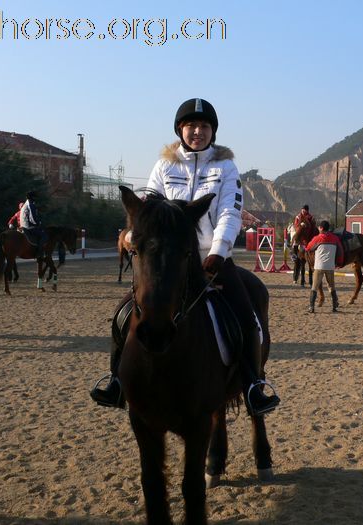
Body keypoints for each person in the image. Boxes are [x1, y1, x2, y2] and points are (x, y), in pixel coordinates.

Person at [90, 97, 280, 416]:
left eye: (204, 126)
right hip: (169, 258)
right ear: (180, 130)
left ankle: (252, 385)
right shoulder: (165, 165)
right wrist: (131, 235)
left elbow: (229, 214)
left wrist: (218, 253)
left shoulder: (226, 167)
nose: (197, 132)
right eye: (191, 126)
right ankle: (116, 380)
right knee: (124, 313)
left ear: (212, 132)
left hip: (211, 258)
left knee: (248, 318)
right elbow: (149, 210)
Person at [306, 220, 344, 313]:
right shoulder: (335, 238)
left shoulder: (317, 238)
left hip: (319, 266)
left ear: (321, 228)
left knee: (314, 287)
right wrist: (339, 263)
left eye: (319, 227)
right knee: (331, 287)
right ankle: (335, 306)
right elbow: (340, 251)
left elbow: (308, 248)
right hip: (330, 267)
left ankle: (311, 307)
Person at [19, 191, 47, 258]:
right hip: (29, 226)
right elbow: (32, 218)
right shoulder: (30, 205)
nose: (35, 199)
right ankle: (39, 253)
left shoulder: (25, 204)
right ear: (32, 198)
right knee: (44, 235)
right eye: (35, 197)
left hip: (23, 225)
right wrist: (39, 223)